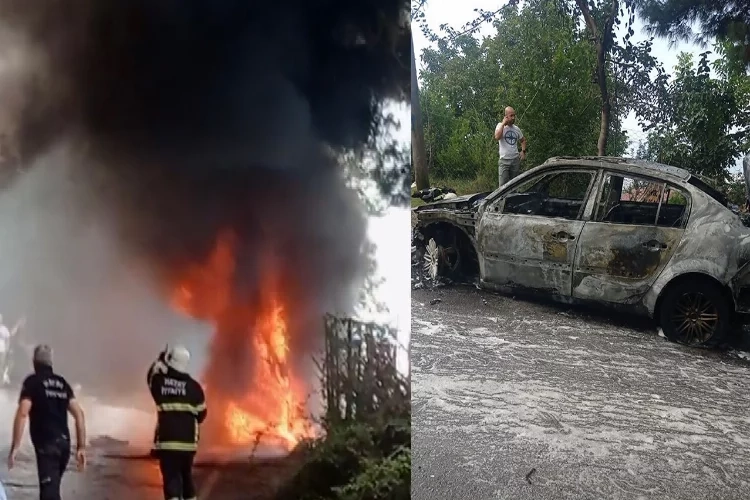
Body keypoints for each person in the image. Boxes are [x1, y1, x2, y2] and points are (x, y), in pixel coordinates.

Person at [7, 344, 87, 500]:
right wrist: (81, 447)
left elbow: (23, 412)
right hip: (64, 445)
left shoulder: (32, 382)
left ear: (34, 362)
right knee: (52, 489)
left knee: (49, 494)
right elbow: (79, 414)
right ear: (51, 363)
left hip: (47, 445)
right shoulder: (62, 383)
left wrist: (15, 447)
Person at [148, 344, 207, 500]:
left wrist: (159, 360)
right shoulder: (194, 387)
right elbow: (201, 415)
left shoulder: (160, 383)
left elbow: (151, 377)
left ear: (169, 360)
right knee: (187, 479)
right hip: (188, 445)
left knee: (171, 481)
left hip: (167, 444)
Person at [494, 106, 528, 186]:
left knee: (515, 185)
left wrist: (523, 151)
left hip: (515, 160)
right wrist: (503, 124)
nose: (513, 118)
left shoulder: (516, 129)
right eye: (511, 115)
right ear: (506, 116)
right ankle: (503, 199)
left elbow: (523, 140)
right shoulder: (500, 126)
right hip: (504, 161)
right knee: (502, 187)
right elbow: (497, 137)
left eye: (514, 115)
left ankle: (514, 198)